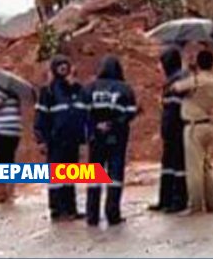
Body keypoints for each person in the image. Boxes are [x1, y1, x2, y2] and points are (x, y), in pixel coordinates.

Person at [83, 56, 137, 227]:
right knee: (115, 175)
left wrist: (96, 126)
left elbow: (82, 113)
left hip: (95, 138)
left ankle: (92, 215)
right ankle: (113, 214)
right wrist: (113, 124)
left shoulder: (90, 88)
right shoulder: (125, 89)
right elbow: (130, 112)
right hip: (117, 137)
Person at [34, 54, 87, 221]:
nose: (64, 68)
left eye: (66, 65)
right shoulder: (48, 91)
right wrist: (41, 139)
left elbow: (83, 113)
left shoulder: (77, 89)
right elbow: (41, 116)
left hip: (73, 140)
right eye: (60, 65)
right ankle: (57, 209)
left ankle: (71, 209)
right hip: (55, 140)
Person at [171, 49, 213, 215]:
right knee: (206, 168)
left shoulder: (197, 81)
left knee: (194, 169)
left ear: (198, 63)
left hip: (194, 127)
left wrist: (188, 69)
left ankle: (195, 205)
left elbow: (175, 87)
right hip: (207, 125)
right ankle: (212, 203)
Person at [149, 46, 188, 213]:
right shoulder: (171, 82)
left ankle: (178, 200)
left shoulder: (180, 82)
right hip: (170, 131)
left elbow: (177, 109)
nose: (160, 68)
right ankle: (165, 199)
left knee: (178, 166)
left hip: (178, 130)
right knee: (168, 166)